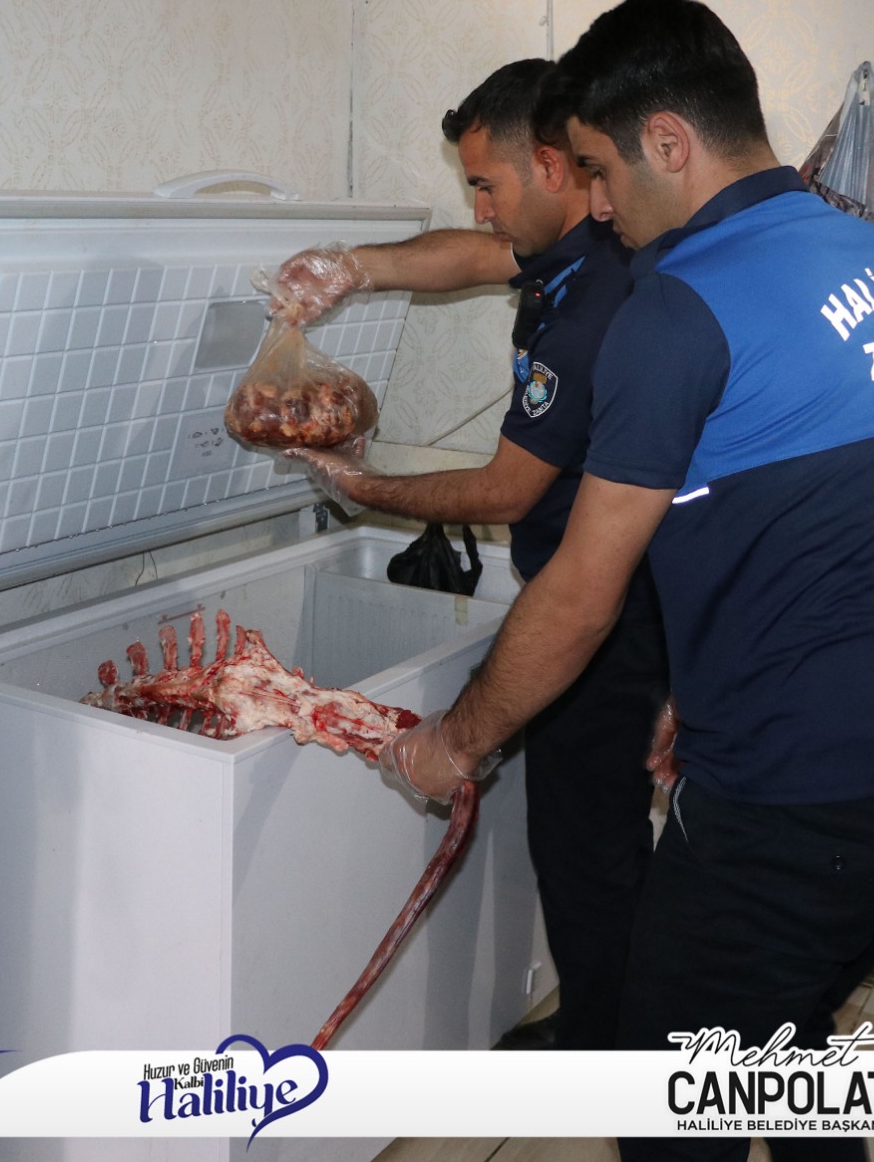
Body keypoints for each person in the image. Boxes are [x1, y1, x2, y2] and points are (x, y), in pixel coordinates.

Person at [379, 0, 874, 1162]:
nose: (598, 205)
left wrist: (453, 742)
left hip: (798, 810)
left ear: (668, 141)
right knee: (779, 1037)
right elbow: (846, 521)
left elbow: (579, 592)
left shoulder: (675, 306)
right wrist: (697, 687)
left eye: (600, 170)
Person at [274, 59, 669, 1051]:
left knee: (588, 842)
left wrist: (363, 486)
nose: (480, 209)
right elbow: (472, 257)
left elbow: (506, 490)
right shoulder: (581, 244)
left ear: (552, 167)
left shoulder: (592, 306)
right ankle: (612, 1023)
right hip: (623, 598)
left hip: (607, 615)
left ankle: (609, 1046)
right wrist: (352, 266)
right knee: (591, 831)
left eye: (487, 185)